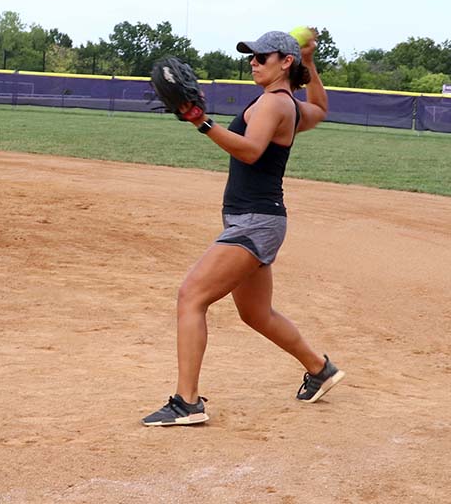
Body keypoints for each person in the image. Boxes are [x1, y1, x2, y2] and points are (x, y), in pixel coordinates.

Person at [142, 29, 344, 426]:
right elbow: (319, 106)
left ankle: (187, 402)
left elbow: (251, 151)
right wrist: (311, 63)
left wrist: (200, 122)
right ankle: (320, 369)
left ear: (284, 63)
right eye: (251, 56)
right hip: (259, 219)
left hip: (254, 221)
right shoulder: (289, 104)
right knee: (256, 314)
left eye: (262, 56)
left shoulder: (272, 104)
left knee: (191, 297)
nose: (253, 61)